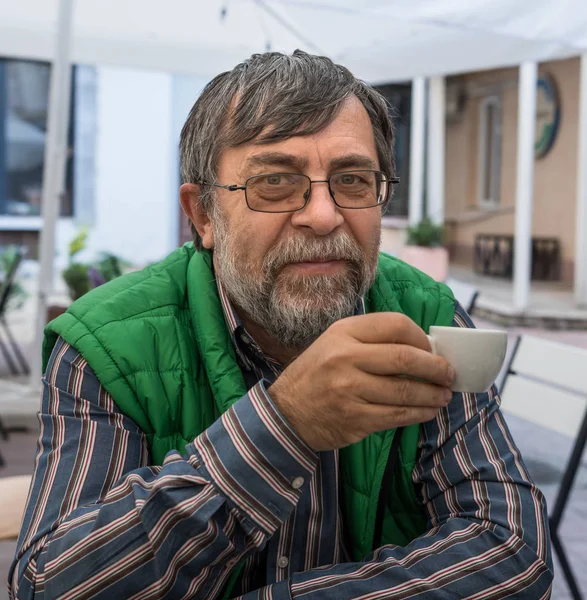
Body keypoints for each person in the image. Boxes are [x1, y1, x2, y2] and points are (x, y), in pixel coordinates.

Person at [10, 51, 553, 599]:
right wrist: (284, 426)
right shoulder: (107, 345)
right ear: (202, 216)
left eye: (354, 179)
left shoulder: (426, 317)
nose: (322, 215)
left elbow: (512, 550)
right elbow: (51, 585)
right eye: (274, 181)